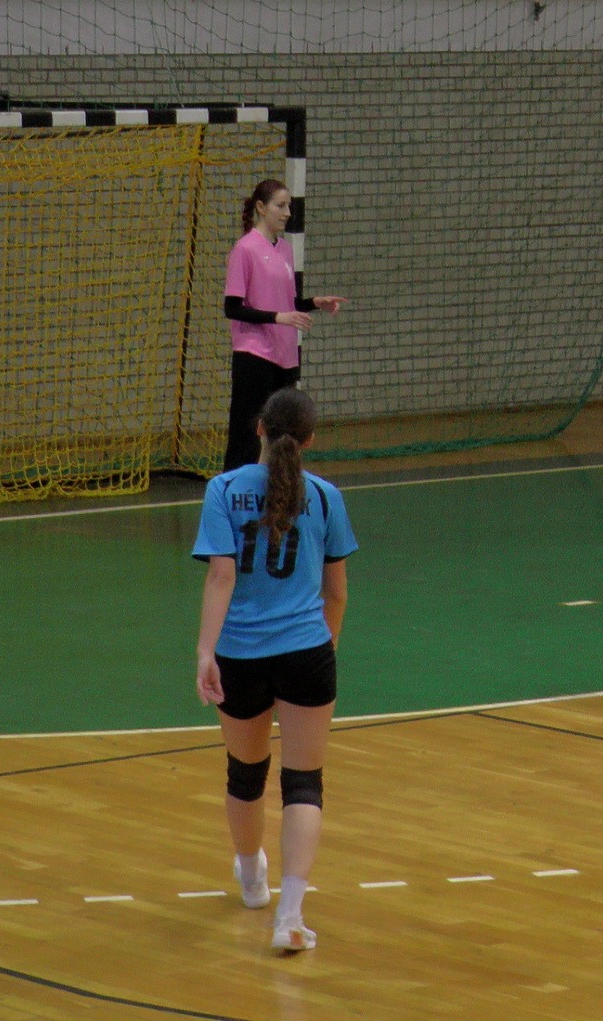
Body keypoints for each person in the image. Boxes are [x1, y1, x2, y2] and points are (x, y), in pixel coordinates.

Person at [194, 387, 357, 953]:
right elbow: (337, 592)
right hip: (307, 652)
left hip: (239, 655)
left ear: (258, 428)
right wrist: (323, 648)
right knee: (303, 784)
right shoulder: (326, 497)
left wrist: (206, 652)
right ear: (310, 439)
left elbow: (221, 576)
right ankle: (290, 915)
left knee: (245, 774)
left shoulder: (223, 490)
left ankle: (250, 877)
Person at [222, 179, 348, 472]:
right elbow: (232, 307)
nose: (288, 212)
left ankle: (278, 488)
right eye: (280, 206)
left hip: (284, 355)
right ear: (261, 207)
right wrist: (278, 317)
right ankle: (235, 490)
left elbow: (287, 303)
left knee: (283, 435)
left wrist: (313, 302)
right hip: (254, 355)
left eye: (289, 205)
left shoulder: (286, 250)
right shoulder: (245, 249)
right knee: (248, 434)